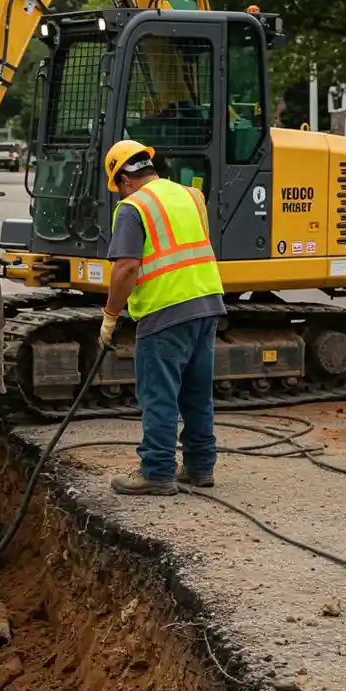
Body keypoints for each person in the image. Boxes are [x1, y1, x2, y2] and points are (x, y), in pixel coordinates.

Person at [98, 139, 226, 496]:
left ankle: (156, 471)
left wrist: (110, 316)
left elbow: (125, 268)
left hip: (165, 310)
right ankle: (200, 468)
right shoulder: (190, 196)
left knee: (159, 394)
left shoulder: (133, 207)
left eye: (118, 188)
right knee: (198, 394)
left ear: (124, 179)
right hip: (206, 302)